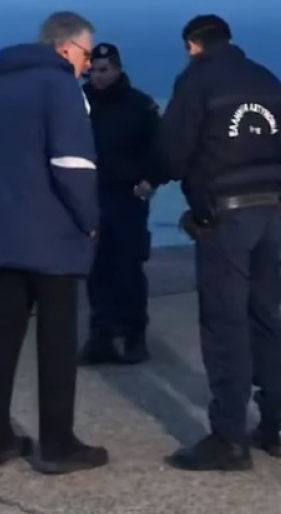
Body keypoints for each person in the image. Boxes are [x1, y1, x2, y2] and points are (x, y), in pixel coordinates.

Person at [0, 11, 109, 475]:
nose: (87, 64)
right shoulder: (60, 85)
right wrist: (90, 219)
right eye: (86, 53)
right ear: (66, 48)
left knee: (3, 337)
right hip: (52, 235)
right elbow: (72, 162)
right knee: (57, 339)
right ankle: (58, 444)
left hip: (1, 229)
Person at [158, 14, 281, 471]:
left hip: (224, 214)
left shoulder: (196, 81)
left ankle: (229, 437)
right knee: (266, 315)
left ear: (192, 45)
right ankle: (276, 425)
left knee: (226, 321)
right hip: (271, 208)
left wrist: (155, 175)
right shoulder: (269, 81)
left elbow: (172, 152)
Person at [79, 42, 168, 366]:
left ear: (117, 69)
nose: (98, 76)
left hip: (128, 197)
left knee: (128, 268)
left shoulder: (140, 105)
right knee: (96, 269)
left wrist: (152, 180)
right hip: (91, 196)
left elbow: (160, 147)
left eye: (104, 70)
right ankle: (100, 336)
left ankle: (134, 336)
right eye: (93, 71)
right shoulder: (79, 105)